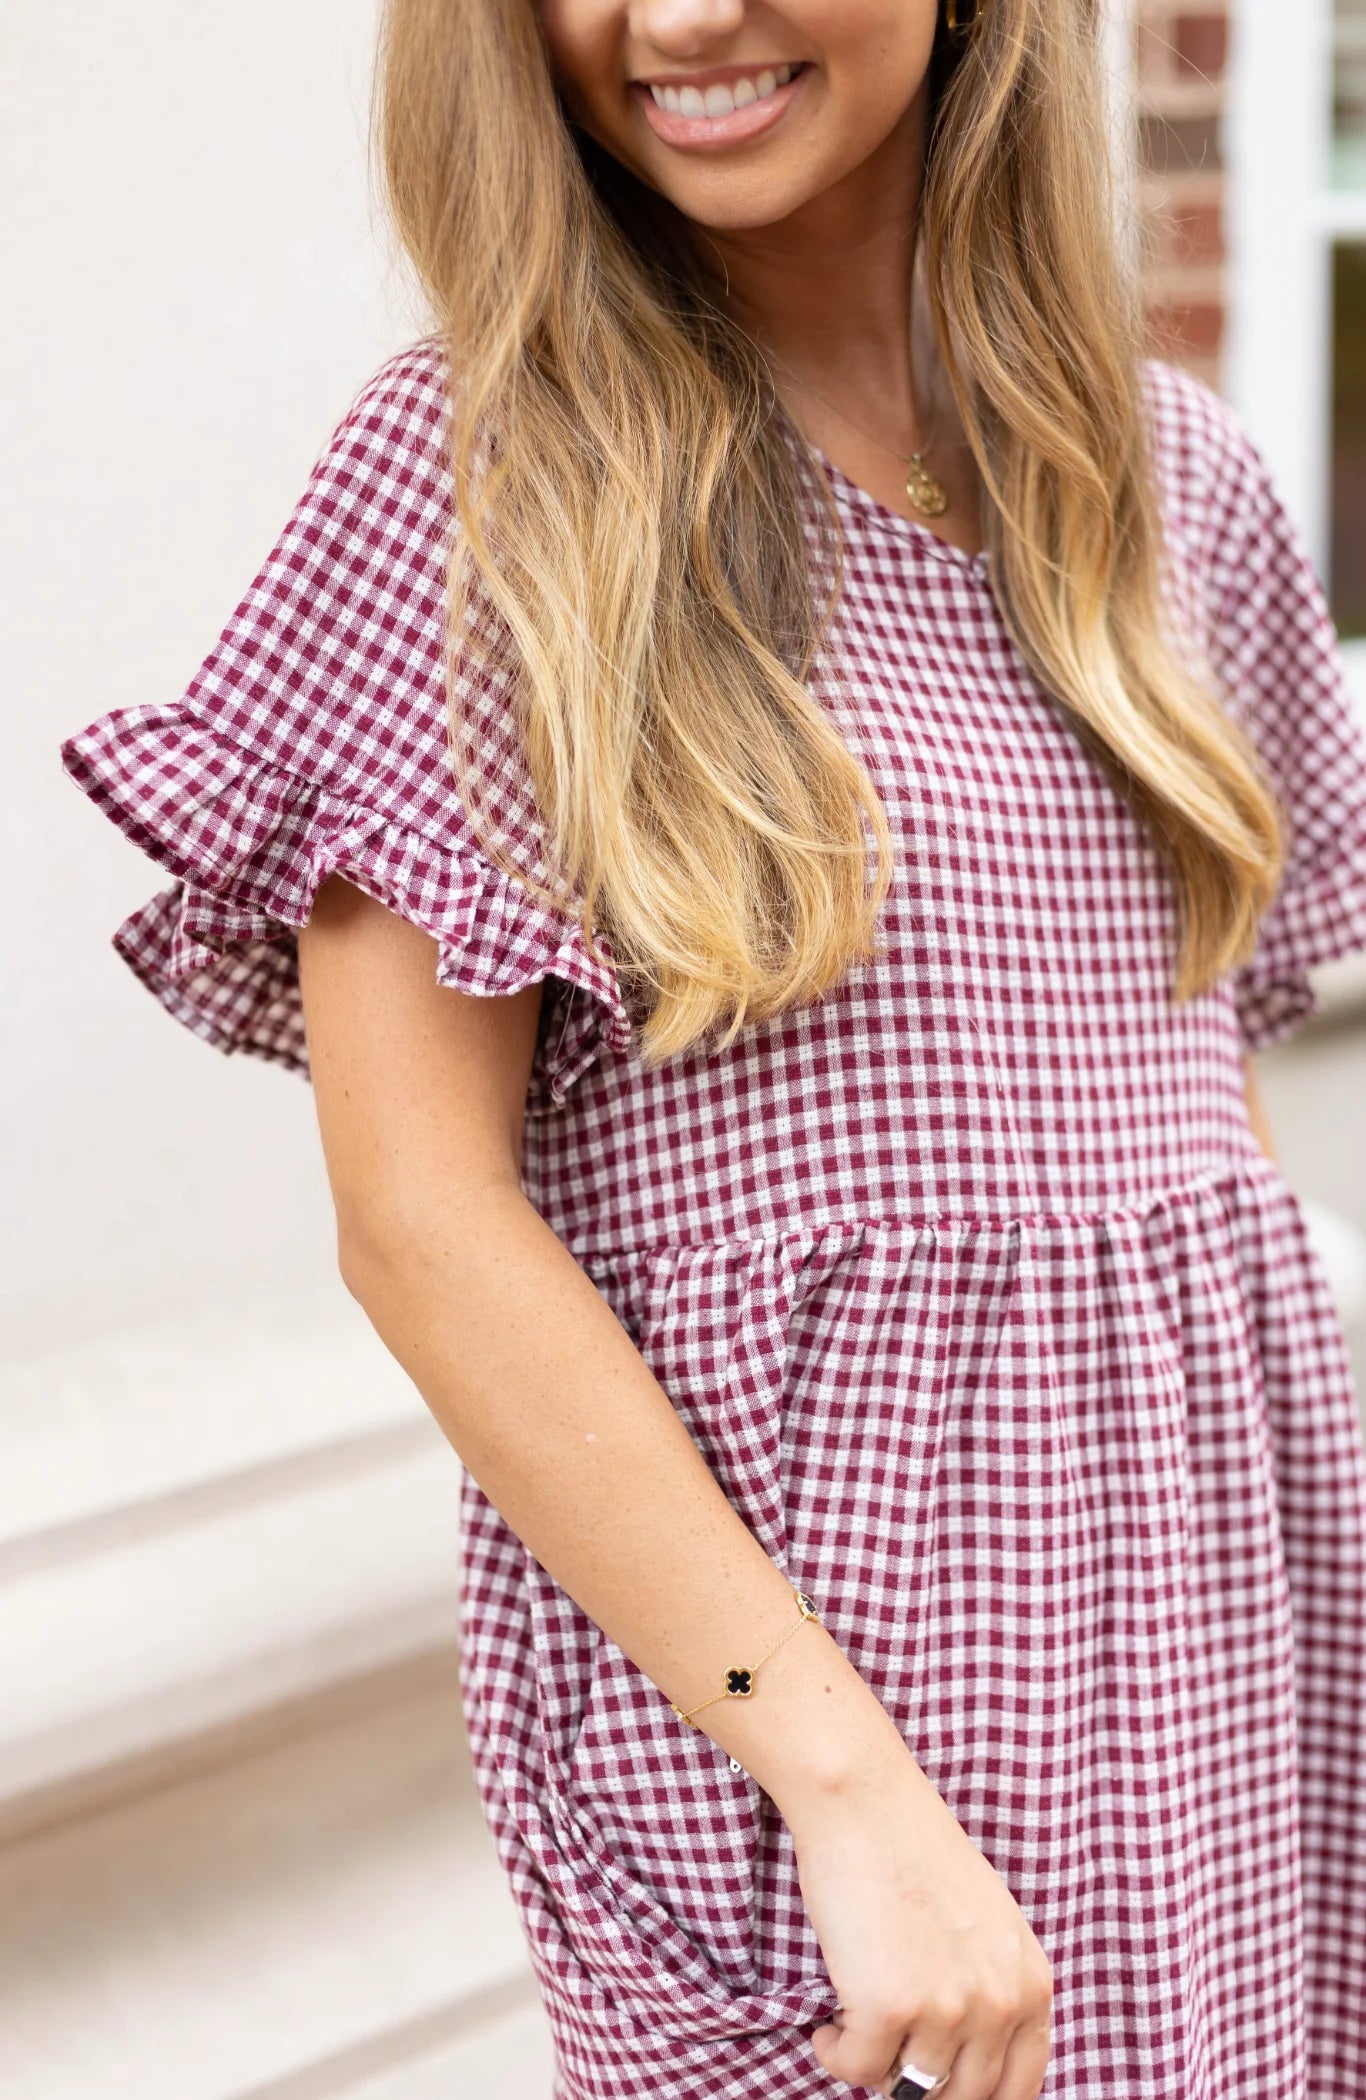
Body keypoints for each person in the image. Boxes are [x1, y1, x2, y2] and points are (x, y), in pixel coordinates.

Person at [59, 0, 1366, 2094]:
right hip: (812, 1731)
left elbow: (1194, 1141)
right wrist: (847, 1797)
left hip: (1218, 1674)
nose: (669, 18)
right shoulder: (489, 484)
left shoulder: (1169, 486)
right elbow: (419, 1219)